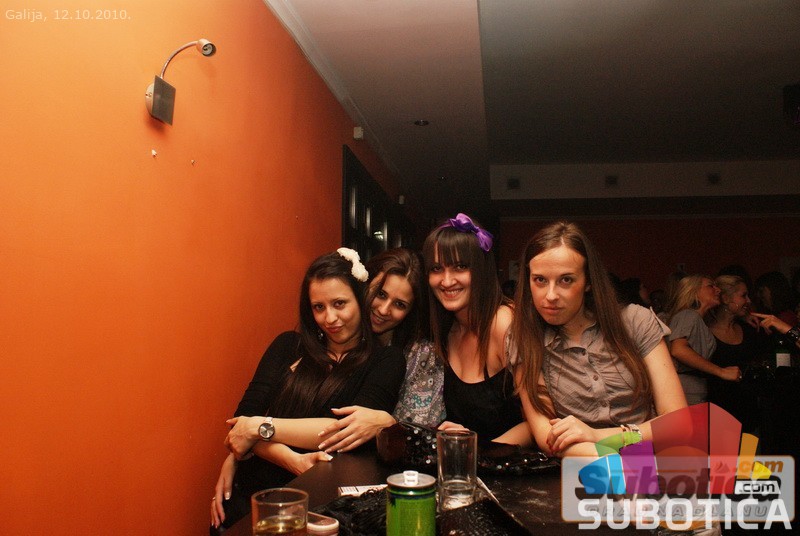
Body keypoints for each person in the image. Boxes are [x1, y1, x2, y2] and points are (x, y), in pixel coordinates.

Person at [210, 249, 405, 532]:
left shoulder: (386, 360)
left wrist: (257, 430)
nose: (330, 318)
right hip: (252, 498)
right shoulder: (288, 346)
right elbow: (240, 423)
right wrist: (292, 459)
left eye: (340, 303)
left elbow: (342, 431)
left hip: (321, 509)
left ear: (361, 300)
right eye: (319, 307)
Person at [513, 221, 687, 457]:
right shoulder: (525, 338)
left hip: (653, 464)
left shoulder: (635, 321)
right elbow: (548, 437)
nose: (551, 295)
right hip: (584, 468)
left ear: (588, 282)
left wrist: (603, 437)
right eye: (540, 280)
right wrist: (614, 461)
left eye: (566, 280)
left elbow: (677, 422)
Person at [315, 248, 445, 453]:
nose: (384, 310)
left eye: (400, 304)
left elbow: (420, 432)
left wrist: (389, 423)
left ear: (411, 311)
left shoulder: (421, 355)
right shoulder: (338, 332)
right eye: (380, 294)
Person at [422, 213, 530, 445]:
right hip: (468, 464)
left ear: (481, 269)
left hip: (514, 463)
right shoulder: (448, 331)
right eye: (437, 268)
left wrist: (475, 449)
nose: (446, 281)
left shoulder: (504, 323)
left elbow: (538, 421)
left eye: (460, 267)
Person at [666, 274, 741, 405]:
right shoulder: (688, 315)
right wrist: (721, 372)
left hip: (692, 390)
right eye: (710, 286)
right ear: (694, 292)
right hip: (685, 391)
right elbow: (678, 350)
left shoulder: (698, 319)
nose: (718, 290)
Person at [706, 275, 766, 431]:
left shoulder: (749, 329)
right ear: (726, 299)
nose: (748, 300)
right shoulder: (705, 333)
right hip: (718, 420)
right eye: (743, 295)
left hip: (750, 417)